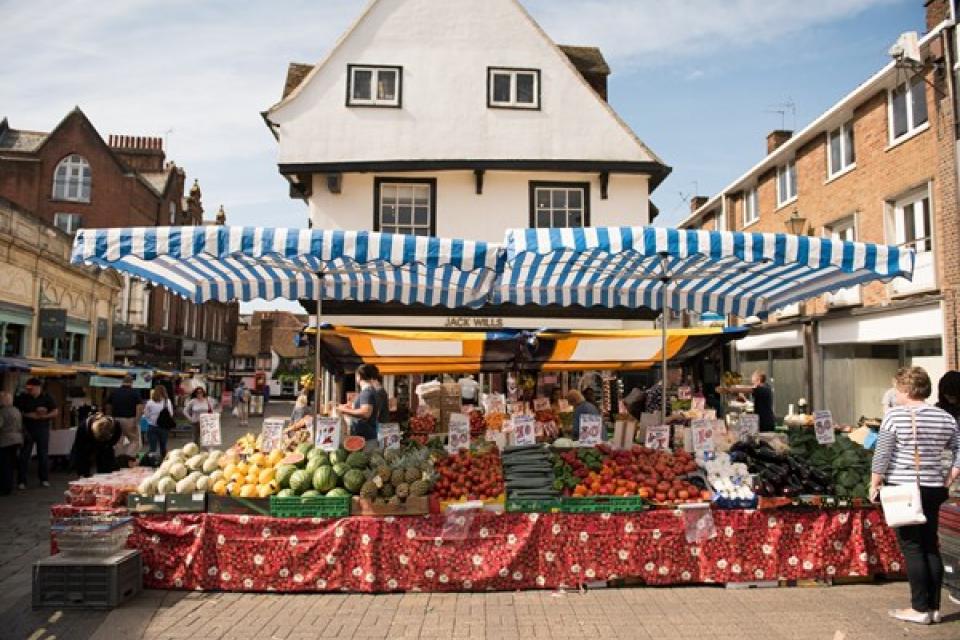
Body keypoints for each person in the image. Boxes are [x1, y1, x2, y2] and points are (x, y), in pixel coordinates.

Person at [870, 366, 960, 625]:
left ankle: (919, 608)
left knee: (912, 547)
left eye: (897, 389)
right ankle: (934, 608)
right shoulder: (944, 417)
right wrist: (950, 476)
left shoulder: (895, 416)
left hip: (903, 487)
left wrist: (874, 483)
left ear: (907, 390)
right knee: (931, 545)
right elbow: (958, 449)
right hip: (935, 488)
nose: (895, 395)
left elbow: (883, 454)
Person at [15, 377, 58, 489]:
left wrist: (44, 416)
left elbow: (55, 411)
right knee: (24, 456)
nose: (29, 391)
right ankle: (21, 481)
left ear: (38, 388)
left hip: (42, 428)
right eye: (27, 389)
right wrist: (29, 415)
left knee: (43, 455)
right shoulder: (23, 397)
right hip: (27, 429)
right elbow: (17, 412)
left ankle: (44, 479)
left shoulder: (47, 397)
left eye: (31, 389)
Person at [338, 364, 379, 450]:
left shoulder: (366, 392)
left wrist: (344, 410)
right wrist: (350, 407)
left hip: (366, 438)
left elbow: (365, 413)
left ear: (359, 376)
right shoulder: (369, 391)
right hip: (367, 437)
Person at [71, 413, 122, 477]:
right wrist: (82, 472)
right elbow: (80, 451)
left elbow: (115, 438)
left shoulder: (116, 426)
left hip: (106, 445)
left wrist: (108, 444)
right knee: (83, 463)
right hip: (87, 444)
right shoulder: (83, 429)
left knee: (107, 459)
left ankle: (107, 475)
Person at [106, 374, 143, 457]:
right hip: (130, 420)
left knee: (118, 441)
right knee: (135, 441)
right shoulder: (135, 393)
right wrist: (136, 422)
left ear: (122, 382)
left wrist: (109, 419)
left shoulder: (114, 392)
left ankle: (118, 459)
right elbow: (139, 408)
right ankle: (127, 457)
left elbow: (108, 406)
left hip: (116, 420)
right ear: (131, 382)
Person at [0, 391, 23, 496]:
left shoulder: (2, 412)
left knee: (5, 465)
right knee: (10, 464)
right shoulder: (16, 410)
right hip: (17, 439)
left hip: (5, 440)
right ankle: (10, 485)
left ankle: (5, 488)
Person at [142, 386, 174, 458]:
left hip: (152, 426)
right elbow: (171, 414)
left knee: (152, 447)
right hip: (164, 427)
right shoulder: (167, 401)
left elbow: (146, 414)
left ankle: (151, 461)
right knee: (163, 446)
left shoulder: (150, 402)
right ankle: (163, 461)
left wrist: (151, 419)